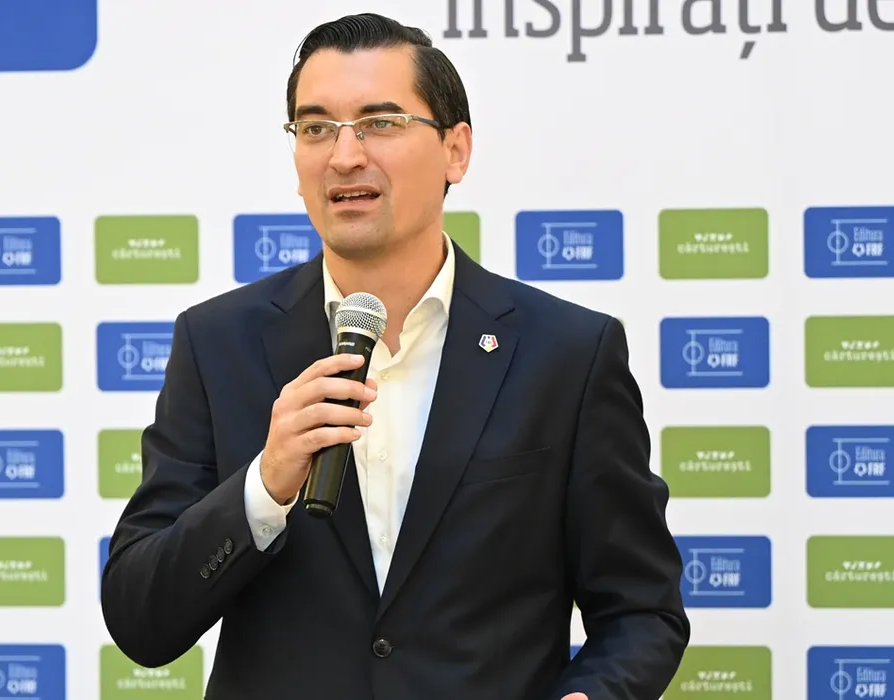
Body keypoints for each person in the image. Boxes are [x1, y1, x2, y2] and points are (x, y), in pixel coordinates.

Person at [101, 12, 689, 700]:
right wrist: (264, 486)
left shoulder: (567, 354)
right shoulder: (218, 342)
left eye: (379, 123)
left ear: (455, 150)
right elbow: (141, 620)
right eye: (316, 128)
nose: (344, 155)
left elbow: (641, 611)